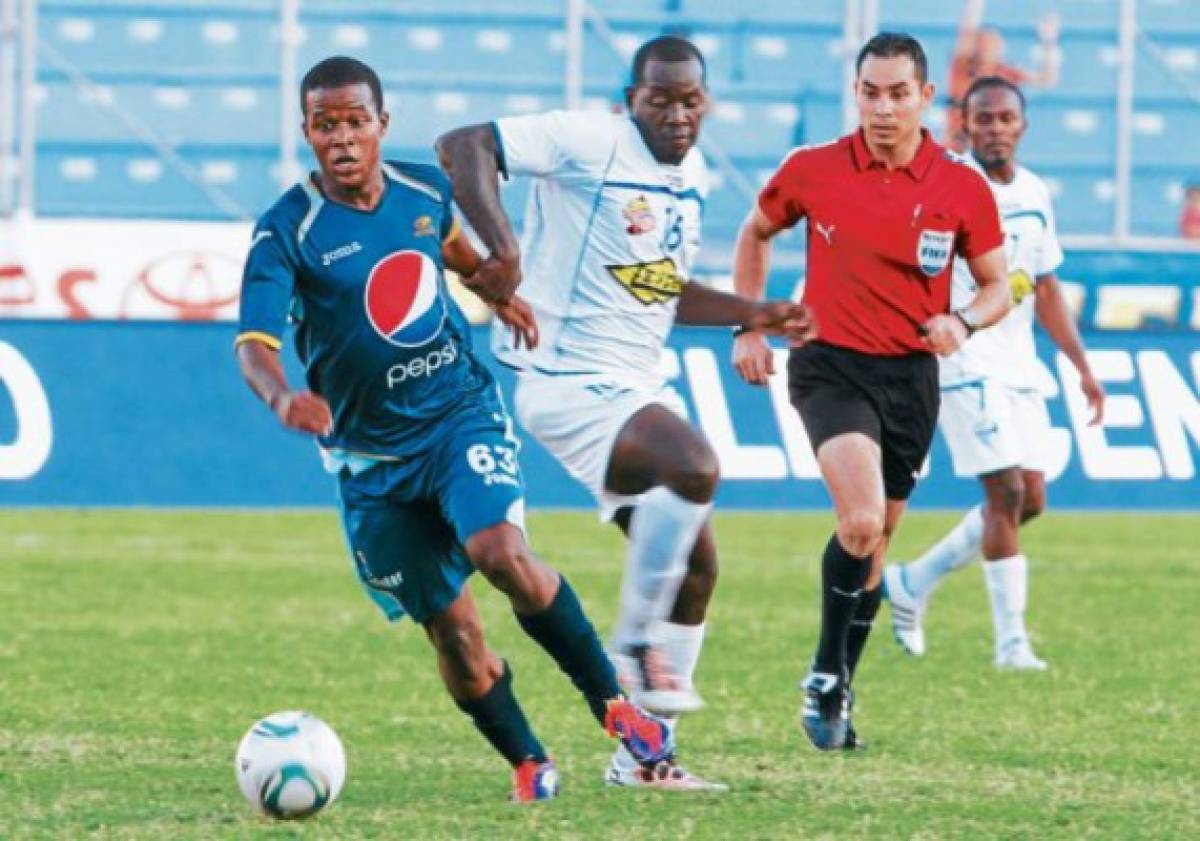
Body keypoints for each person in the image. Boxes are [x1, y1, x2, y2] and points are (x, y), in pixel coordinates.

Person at [234, 56, 676, 803]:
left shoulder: (422, 188)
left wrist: (496, 295)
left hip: (455, 415)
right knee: (458, 639)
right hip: (372, 463)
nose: (341, 139)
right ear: (308, 132)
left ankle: (615, 702)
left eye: (354, 122)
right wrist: (283, 399)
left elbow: (454, 252)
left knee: (499, 550)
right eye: (324, 125)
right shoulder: (288, 229)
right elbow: (253, 344)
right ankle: (529, 759)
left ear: (382, 123)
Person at [436, 35, 814, 788]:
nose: (677, 115)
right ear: (629, 100)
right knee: (696, 463)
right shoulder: (590, 139)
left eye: (690, 101)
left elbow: (661, 290)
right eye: (660, 99)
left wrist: (754, 311)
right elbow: (462, 143)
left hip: (635, 383)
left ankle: (645, 759)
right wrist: (501, 245)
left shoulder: (693, 175)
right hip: (569, 379)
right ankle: (637, 643)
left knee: (698, 567)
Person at [731, 33, 1011, 751]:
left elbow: (997, 286)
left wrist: (963, 320)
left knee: (877, 546)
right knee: (858, 523)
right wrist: (751, 322)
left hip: (911, 379)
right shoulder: (814, 169)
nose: (882, 108)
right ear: (855, 93)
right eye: (870, 92)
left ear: (925, 97)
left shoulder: (961, 186)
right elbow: (756, 231)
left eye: (897, 93)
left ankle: (840, 691)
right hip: (829, 366)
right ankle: (825, 672)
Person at [882, 76, 1106, 670]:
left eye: (1006, 119)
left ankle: (913, 580)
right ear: (966, 124)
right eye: (985, 120)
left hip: (1019, 362)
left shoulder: (1034, 192)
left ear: (1022, 126)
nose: (996, 129)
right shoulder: (951, 186)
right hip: (964, 353)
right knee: (1004, 492)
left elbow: (1047, 285)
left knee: (1030, 499)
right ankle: (1011, 644)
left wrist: (1081, 368)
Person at [944, 0, 1060, 152]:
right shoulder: (962, 66)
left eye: (994, 43)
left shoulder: (1005, 73)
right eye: (984, 41)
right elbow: (967, 30)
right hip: (958, 142)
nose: (989, 47)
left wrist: (1049, 43)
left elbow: (1047, 79)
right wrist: (975, 4)